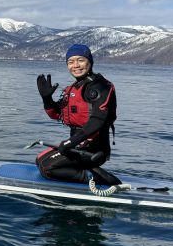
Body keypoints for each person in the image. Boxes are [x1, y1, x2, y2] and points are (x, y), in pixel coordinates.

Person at [35, 44, 121, 186]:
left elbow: (98, 120)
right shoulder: (75, 87)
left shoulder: (101, 86)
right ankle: (88, 170)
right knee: (39, 160)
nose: (75, 65)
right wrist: (47, 99)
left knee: (47, 168)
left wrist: (70, 142)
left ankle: (100, 179)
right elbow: (56, 114)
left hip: (93, 150)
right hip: (78, 146)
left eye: (80, 60)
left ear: (90, 62)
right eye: (71, 62)